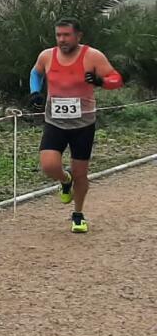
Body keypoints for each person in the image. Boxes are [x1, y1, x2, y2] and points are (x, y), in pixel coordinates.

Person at [29, 18, 123, 233]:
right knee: (49, 166)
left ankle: (78, 214)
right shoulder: (47, 55)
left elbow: (116, 79)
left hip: (83, 124)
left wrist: (101, 82)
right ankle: (65, 179)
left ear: (78, 36)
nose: (62, 39)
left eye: (67, 35)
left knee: (81, 173)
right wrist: (35, 91)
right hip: (55, 122)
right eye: (58, 35)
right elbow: (36, 72)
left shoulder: (93, 56)